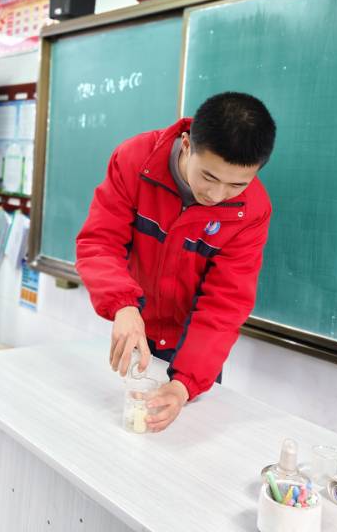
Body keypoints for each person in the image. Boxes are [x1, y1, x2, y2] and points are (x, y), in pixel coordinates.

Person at [76, 92, 276, 432]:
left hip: (195, 349)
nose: (216, 195)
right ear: (186, 145)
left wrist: (184, 385)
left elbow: (225, 303)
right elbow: (99, 241)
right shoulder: (136, 160)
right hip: (135, 326)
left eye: (236, 185)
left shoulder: (251, 211)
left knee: (183, 441)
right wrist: (123, 305)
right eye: (208, 177)